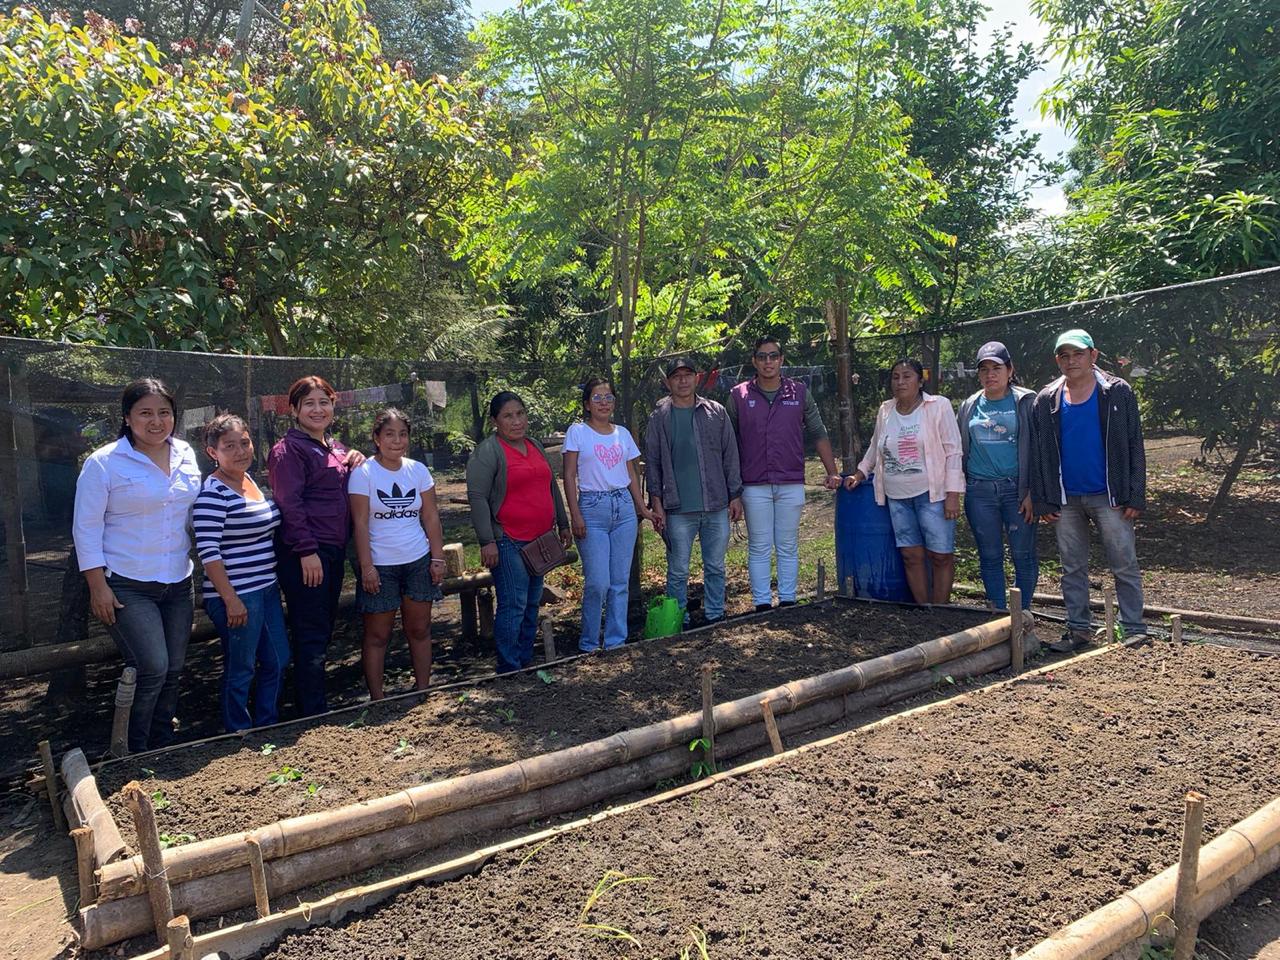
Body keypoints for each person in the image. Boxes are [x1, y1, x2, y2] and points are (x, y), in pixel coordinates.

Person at [72, 379, 202, 752]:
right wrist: (97, 587)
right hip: (126, 584)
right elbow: (86, 528)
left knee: (174, 668)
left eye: (164, 412)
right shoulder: (104, 462)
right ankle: (133, 748)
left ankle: (163, 744)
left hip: (178, 581)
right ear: (127, 418)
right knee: (153, 666)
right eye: (145, 413)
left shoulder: (186, 453)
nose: (156, 421)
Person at [1030, 329, 1146, 651]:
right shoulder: (1047, 399)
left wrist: (1136, 493)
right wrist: (1043, 500)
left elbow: (1135, 443)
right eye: (1064, 356)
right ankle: (1078, 631)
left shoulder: (1116, 392)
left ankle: (1134, 630)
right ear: (1057, 360)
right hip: (1065, 499)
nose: (1071, 361)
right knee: (1072, 568)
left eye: (1078, 354)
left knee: (1124, 563)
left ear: (1093, 355)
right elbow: (1040, 453)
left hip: (1110, 496)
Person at [268, 376, 364, 717]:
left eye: (324, 402)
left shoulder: (333, 447)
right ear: (294, 410)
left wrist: (356, 458)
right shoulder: (287, 451)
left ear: (333, 407)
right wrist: (307, 551)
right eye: (309, 403)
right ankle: (311, 711)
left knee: (322, 627)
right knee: (309, 630)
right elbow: (289, 504)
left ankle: (315, 703)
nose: (317, 409)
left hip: (333, 550)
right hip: (306, 554)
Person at [729, 336, 843, 611]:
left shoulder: (799, 392)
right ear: (754, 361)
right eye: (762, 356)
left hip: (790, 481)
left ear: (781, 360)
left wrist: (832, 472)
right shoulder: (738, 395)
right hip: (753, 484)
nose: (768, 361)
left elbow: (817, 431)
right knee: (759, 545)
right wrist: (732, 489)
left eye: (773, 356)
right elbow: (728, 443)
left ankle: (788, 601)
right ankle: (761, 603)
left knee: (788, 544)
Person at [193, 413, 290, 732]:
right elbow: (209, 553)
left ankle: (267, 724)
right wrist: (230, 599)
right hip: (236, 595)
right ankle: (238, 730)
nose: (240, 451)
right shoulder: (213, 494)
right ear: (213, 452)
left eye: (244, 443)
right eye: (230, 446)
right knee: (242, 666)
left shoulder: (251, 482)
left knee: (278, 659)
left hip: (266, 588)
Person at [466, 391, 572, 673]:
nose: (516, 421)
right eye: (508, 416)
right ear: (495, 421)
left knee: (531, 603)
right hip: (508, 541)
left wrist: (563, 523)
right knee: (513, 603)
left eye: (520, 413)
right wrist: (487, 541)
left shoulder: (534, 445)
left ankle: (525, 659)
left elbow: (550, 486)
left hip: (540, 539)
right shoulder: (487, 453)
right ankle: (509, 666)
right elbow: (478, 498)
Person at [847, 359, 964, 605]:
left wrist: (953, 493)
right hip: (897, 496)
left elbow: (953, 451)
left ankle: (941, 612)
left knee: (940, 555)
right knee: (911, 556)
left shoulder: (938, 406)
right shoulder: (886, 410)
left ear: (920, 381)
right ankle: (924, 610)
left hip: (932, 495)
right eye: (896, 377)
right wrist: (860, 473)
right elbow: (875, 446)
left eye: (907, 376)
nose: (900, 382)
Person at [349, 408, 446, 699]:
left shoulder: (418, 470)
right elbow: (360, 523)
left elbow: (430, 516)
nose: (397, 440)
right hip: (380, 566)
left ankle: (423, 691)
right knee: (378, 635)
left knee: (420, 629)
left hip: (418, 561)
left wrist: (437, 558)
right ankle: (378, 699)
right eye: (389, 434)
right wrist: (367, 567)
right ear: (376, 438)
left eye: (403, 434)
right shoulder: (363, 473)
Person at [644, 357, 744, 625]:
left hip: (716, 504)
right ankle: (678, 619)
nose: (683, 381)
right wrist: (657, 503)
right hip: (677, 508)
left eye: (688, 375)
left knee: (715, 566)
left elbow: (730, 455)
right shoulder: (659, 417)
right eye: (676, 376)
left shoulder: (715, 412)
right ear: (668, 382)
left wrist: (735, 495)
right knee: (678, 571)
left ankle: (715, 615)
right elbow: (652, 462)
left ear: (697, 378)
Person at [562, 379, 653, 652]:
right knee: (598, 582)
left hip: (623, 508)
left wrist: (642, 508)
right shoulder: (578, 432)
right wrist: (575, 514)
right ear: (587, 404)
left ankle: (616, 642)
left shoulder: (622, 433)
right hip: (592, 508)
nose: (604, 403)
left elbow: (631, 474)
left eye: (608, 398)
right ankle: (589, 643)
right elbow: (569, 475)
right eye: (597, 398)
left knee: (619, 582)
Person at [956, 342, 1039, 611]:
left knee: (1023, 554)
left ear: (1010, 370)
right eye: (984, 369)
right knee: (990, 555)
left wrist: (1032, 491)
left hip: (1017, 491)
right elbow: (958, 448)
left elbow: (1039, 450)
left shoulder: (1026, 401)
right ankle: (998, 614)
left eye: (997, 368)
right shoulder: (969, 405)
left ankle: (1021, 615)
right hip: (979, 491)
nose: (990, 374)